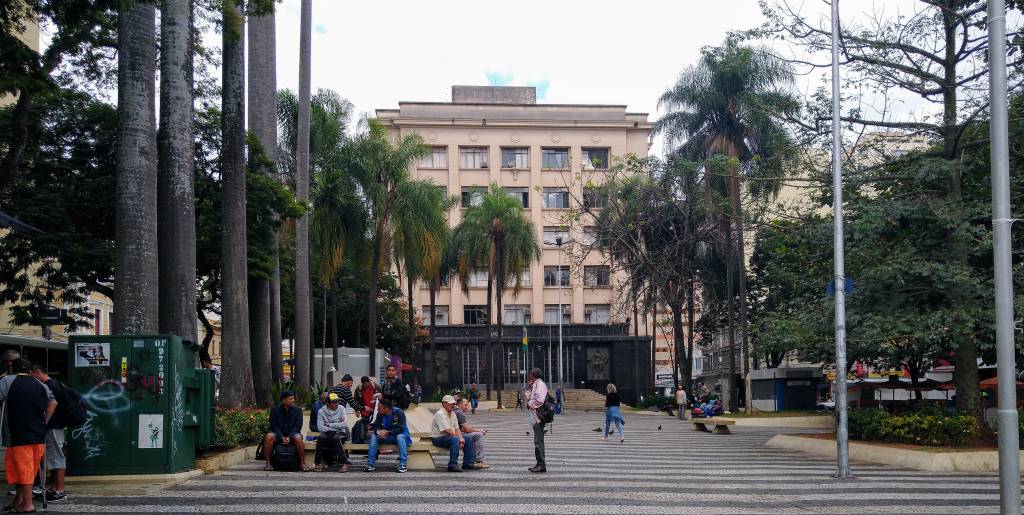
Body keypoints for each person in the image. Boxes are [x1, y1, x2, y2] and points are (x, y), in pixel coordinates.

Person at [0, 359, 56, 513]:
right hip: (38, 434)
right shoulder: (41, 385)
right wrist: (44, 422)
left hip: (17, 434)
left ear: (13, 369)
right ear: (31, 371)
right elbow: (53, 403)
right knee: (28, 469)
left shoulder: (7, 381)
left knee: (23, 469)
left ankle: (28, 504)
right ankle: (18, 499)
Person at [28, 364, 69, 502]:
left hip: (53, 427)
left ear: (38, 372)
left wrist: (44, 422)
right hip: (56, 426)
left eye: (32, 375)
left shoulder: (50, 386)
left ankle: (60, 490)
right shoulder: (56, 384)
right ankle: (54, 489)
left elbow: (52, 404)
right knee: (53, 458)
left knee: (57, 457)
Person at [262, 390, 309, 471]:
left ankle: (302, 463)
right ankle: (268, 463)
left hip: (293, 434)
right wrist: (281, 437)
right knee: (269, 436)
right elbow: (274, 426)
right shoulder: (274, 410)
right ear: (283, 400)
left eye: (293, 398)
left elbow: (297, 426)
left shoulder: (298, 411)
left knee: (298, 437)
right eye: (290, 399)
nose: (293, 400)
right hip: (278, 434)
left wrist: (289, 437)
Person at [430, 395, 478, 472]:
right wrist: (459, 439)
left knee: (468, 437)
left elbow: (457, 428)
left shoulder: (453, 413)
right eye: (451, 403)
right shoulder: (440, 414)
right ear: (444, 404)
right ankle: (452, 465)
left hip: (449, 436)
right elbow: (447, 430)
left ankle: (468, 463)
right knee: (455, 439)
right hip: (438, 438)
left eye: (453, 403)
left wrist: (461, 438)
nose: (453, 405)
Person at [366, 399, 412, 473]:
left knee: (399, 437)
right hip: (388, 436)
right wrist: (378, 432)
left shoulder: (399, 412)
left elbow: (400, 428)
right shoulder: (380, 414)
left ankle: (402, 464)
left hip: (402, 436)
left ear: (386, 409)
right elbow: (376, 425)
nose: (377, 409)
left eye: (379, 408)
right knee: (374, 436)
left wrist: (388, 432)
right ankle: (370, 464)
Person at [315, 393, 350, 472]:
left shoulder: (341, 409)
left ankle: (344, 463)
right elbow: (320, 428)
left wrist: (329, 424)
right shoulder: (321, 411)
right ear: (328, 403)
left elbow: (345, 424)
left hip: (341, 433)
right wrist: (337, 426)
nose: (337, 403)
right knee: (321, 438)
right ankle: (317, 463)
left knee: (336, 438)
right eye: (334, 402)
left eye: (337, 401)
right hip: (328, 433)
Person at [454, 398, 490, 468]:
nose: (467, 407)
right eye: (466, 405)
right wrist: (480, 431)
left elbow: (462, 429)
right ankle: (478, 460)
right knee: (478, 435)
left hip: (454, 433)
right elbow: (467, 429)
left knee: (473, 435)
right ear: (460, 404)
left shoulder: (455, 411)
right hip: (454, 435)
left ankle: (473, 460)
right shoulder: (459, 412)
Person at [526, 368, 548, 473]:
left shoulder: (540, 384)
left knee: (538, 441)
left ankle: (541, 464)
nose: (529, 375)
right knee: (538, 441)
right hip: (535, 417)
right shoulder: (536, 384)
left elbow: (539, 399)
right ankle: (539, 463)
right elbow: (532, 397)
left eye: (531, 373)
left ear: (534, 375)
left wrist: (530, 404)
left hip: (538, 418)